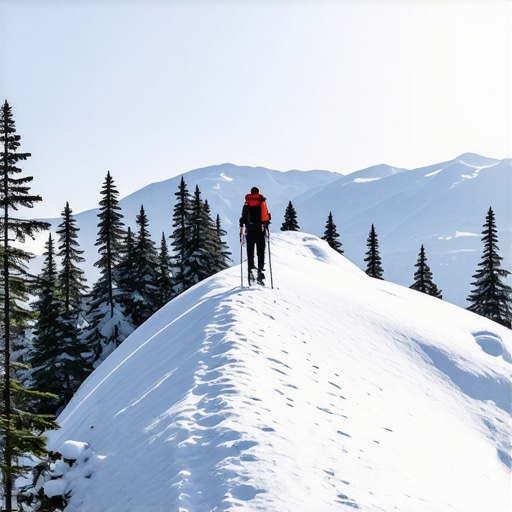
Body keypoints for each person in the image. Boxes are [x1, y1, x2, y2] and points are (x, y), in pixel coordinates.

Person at [239, 186, 271, 282]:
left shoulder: (247, 202)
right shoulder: (262, 201)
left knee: (250, 251)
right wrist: (267, 222)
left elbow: (243, 217)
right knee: (261, 251)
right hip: (260, 231)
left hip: (250, 231)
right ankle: (260, 270)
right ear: (258, 192)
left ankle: (250, 268)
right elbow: (265, 216)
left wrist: (242, 224)